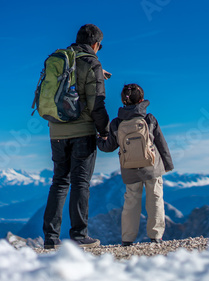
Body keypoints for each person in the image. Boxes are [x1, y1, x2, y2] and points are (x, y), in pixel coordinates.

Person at [43, 24, 110, 249]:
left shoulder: (62, 59)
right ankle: (79, 236)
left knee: (59, 182)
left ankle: (51, 239)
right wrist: (104, 130)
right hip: (82, 132)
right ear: (95, 44)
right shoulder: (92, 63)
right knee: (80, 182)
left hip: (56, 131)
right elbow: (97, 104)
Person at [97, 84, 174, 246]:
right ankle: (156, 236)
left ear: (122, 101)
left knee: (131, 202)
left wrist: (98, 140)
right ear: (141, 99)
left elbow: (109, 147)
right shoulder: (149, 119)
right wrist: (167, 164)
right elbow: (161, 143)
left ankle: (127, 239)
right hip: (152, 167)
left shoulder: (117, 123)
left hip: (129, 168)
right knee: (155, 199)